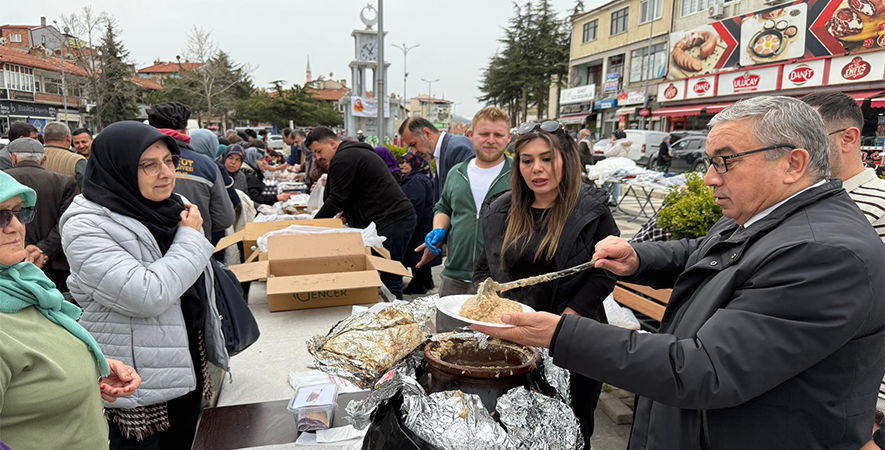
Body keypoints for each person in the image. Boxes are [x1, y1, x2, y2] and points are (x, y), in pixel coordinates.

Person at [475, 96, 885, 450]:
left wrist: (561, 334)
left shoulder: (824, 254)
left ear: (793, 163)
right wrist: (638, 257)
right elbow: (706, 253)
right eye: (711, 162)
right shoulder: (760, 215)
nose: (709, 178)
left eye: (725, 162)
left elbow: (706, 369)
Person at [60, 121, 229, 450]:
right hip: (134, 378)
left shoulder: (172, 207)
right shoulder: (86, 226)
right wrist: (191, 238)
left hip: (186, 360)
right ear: (118, 168)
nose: (165, 172)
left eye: (169, 161)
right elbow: (147, 294)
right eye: (148, 165)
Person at [473, 120, 618, 443]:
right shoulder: (501, 210)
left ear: (565, 158)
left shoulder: (591, 210)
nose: (537, 169)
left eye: (546, 158)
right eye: (527, 160)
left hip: (574, 340)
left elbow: (604, 272)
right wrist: (486, 309)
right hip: (513, 342)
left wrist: (565, 325)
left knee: (572, 432)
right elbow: (484, 270)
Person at [0, 170, 141, 450]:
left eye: (20, 212)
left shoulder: (21, 285)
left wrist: (87, 368)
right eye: (1, 215)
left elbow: (31, 357)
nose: (15, 225)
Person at [801, 92, 885, 450]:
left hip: (860, 405)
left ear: (848, 139)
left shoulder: (878, 207)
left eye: (808, 139)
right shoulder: (808, 199)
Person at [307, 126, 417, 299]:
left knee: (390, 275)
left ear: (332, 143)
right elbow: (352, 191)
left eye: (319, 151)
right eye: (314, 154)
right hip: (391, 218)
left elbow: (336, 198)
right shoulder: (351, 154)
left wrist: (312, 227)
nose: (318, 157)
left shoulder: (344, 157)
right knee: (385, 274)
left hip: (392, 220)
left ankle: (396, 317)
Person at [414, 107, 512, 299]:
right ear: (471, 135)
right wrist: (438, 230)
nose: (491, 140)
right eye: (484, 134)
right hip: (455, 275)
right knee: (446, 329)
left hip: (500, 279)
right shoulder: (456, 172)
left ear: (508, 138)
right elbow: (444, 207)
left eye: (498, 135)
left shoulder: (518, 174)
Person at [149, 104, 235, 239]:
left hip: (145, 254)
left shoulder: (134, 163)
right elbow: (224, 219)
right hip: (196, 246)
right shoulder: (207, 165)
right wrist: (201, 227)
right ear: (185, 131)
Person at [5, 138, 78, 292]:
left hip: (10, 263)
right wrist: (43, 250)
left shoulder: (4, 181)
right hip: (56, 264)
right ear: (44, 160)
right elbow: (67, 222)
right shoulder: (65, 182)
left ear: (13, 158)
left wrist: (25, 250)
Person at [399, 117, 475, 200]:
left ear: (427, 133)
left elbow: (465, 199)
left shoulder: (457, 149)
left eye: (413, 144)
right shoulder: (442, 151)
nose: (413, 152)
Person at [398, 152, 439, 295]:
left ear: (414, 163)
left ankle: (418, 284)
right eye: (401, 162)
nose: (402, 165)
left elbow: (416, 204)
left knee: (416, 254)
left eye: (405, 162)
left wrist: (411, 224)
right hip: (425, 222)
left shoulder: (416, 180)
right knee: (422, 254)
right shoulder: (420, 177)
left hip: (420, 224)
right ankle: (427, 281)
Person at [42, 122, 87, 189]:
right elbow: (86, 188)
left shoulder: (33, 156)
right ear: (68, 138)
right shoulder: (77, 160)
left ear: (44, 138)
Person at [602, 129, 631, 206]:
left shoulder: (618, 145)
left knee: (605, 181)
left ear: (616, 137)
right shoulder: (625, 144)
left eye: (613, 136)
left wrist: (609, 144)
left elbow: (607, 153)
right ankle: (614, 200)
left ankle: (605, 198)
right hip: (621, 166)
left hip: (613, 166)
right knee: (616, 183)